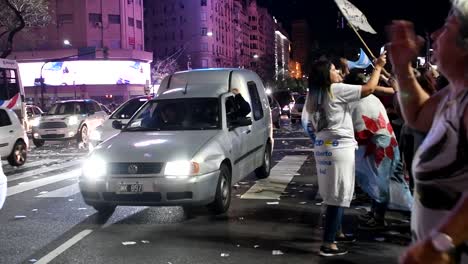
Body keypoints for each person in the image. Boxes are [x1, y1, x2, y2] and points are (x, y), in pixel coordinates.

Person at [388, 2, 468, 263]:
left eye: (446, 27)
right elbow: (418, 116)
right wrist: (402, 68)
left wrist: (439, 244)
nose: (434, 36)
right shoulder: (453, 94)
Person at [304, 53, 387, 256]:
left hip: (324, 146)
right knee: (339, 194)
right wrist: (377, 67)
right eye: (333, 69)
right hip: (339, 147)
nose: (337, 71)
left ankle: (337, 231)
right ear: (325, 75)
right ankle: (328, 243)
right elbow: (368, 89)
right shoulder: (335, 90)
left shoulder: (314, 94)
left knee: (333, 192)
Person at [344, 70, 411, 230]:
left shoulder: (353, 101)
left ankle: (379, 218)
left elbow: (354, 128)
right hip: (388, 142)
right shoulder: (372, 98)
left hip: (378, 144)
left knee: (378, 181)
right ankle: (386, 213)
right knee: (392, 179)